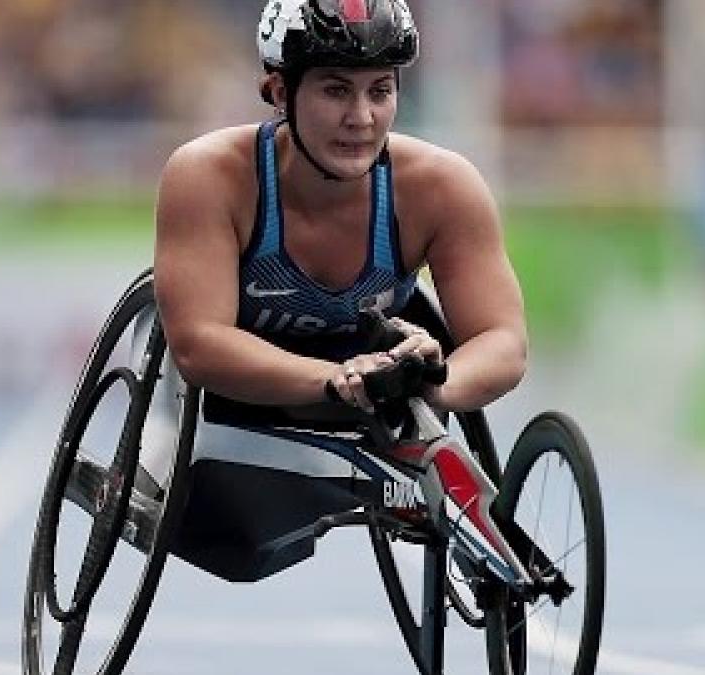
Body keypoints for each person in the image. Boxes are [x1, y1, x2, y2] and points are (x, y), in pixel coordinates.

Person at [149, 0, 527, 582]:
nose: (362, 118)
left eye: (380, 91)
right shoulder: (209, 176)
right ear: (278, 91)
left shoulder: (441, 187)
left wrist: (438, 382)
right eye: (334, 91)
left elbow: (503, 341)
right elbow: (198, 345)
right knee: (232, 544)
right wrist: (334, 380)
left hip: (376, 390)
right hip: (237, 395)